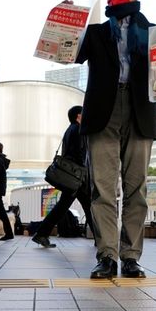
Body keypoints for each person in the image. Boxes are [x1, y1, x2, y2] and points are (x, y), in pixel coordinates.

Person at [75, 0, 156, 279]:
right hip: (101, 113)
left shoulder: (154, 31)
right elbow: (67, 54)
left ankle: (130, 256)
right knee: (102, 190)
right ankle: (107, 255)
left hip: (140, 111)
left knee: (136, 189)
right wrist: (67, 23)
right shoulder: (94, 33)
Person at [32, 106, 95, 248]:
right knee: (84, 206)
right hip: (77, 177)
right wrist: (84, 173)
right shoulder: (78, 130)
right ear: (78, 116)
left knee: (82, 206)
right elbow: (80, 154)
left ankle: (41, 234)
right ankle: (41, 234)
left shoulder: (70, 129)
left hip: (71, 176)